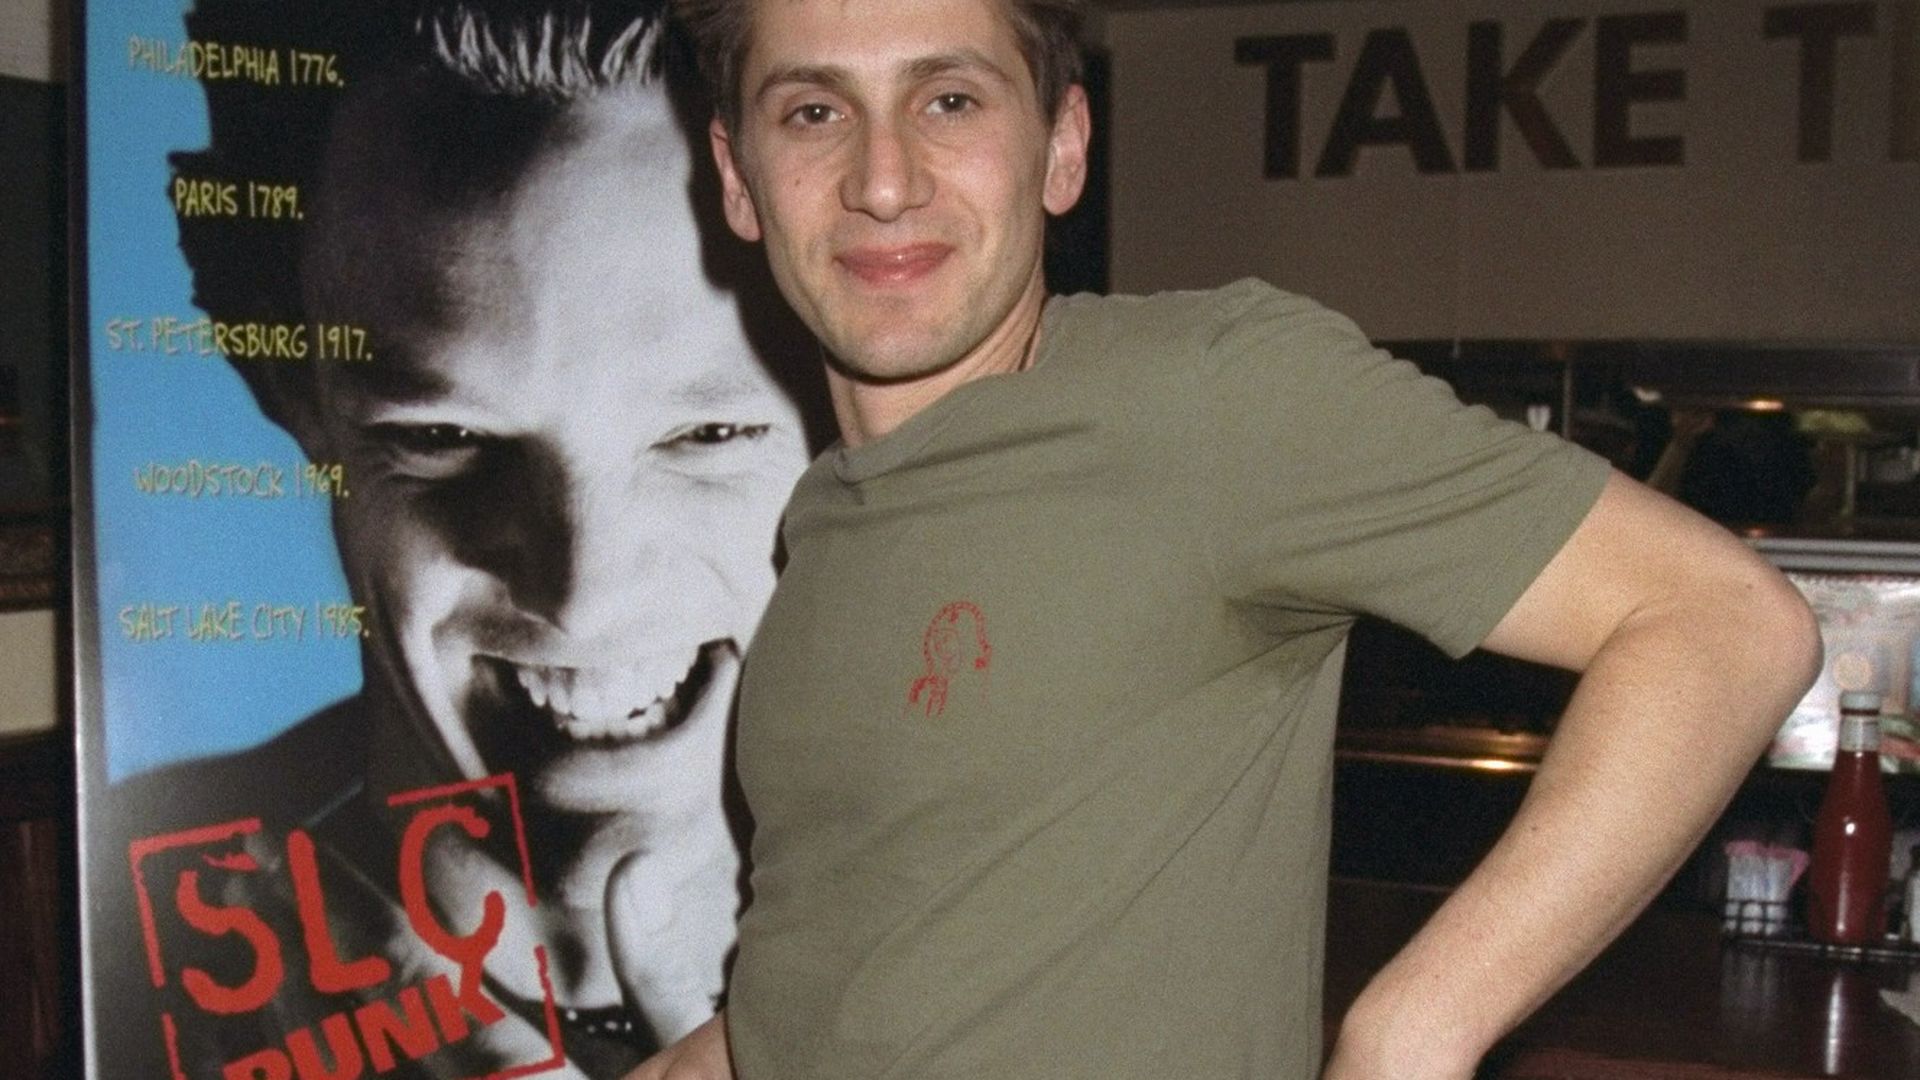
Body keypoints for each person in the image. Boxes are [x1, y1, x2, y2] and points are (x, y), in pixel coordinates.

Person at [629, 0, 1824, 1077]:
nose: (882, 180)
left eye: (950, 100)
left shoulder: (1210, 398)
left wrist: (1408, 1031)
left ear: (1062, 147)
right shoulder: (832, 517)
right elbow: (878, 942)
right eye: (813, 111)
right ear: (739, 178)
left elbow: (1722, 626)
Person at [91, 2, 815, 1077]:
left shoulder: (1027, 917)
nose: (585, 592)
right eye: (444, 437)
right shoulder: (100, 944)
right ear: (296, 397)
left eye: (708, 433)